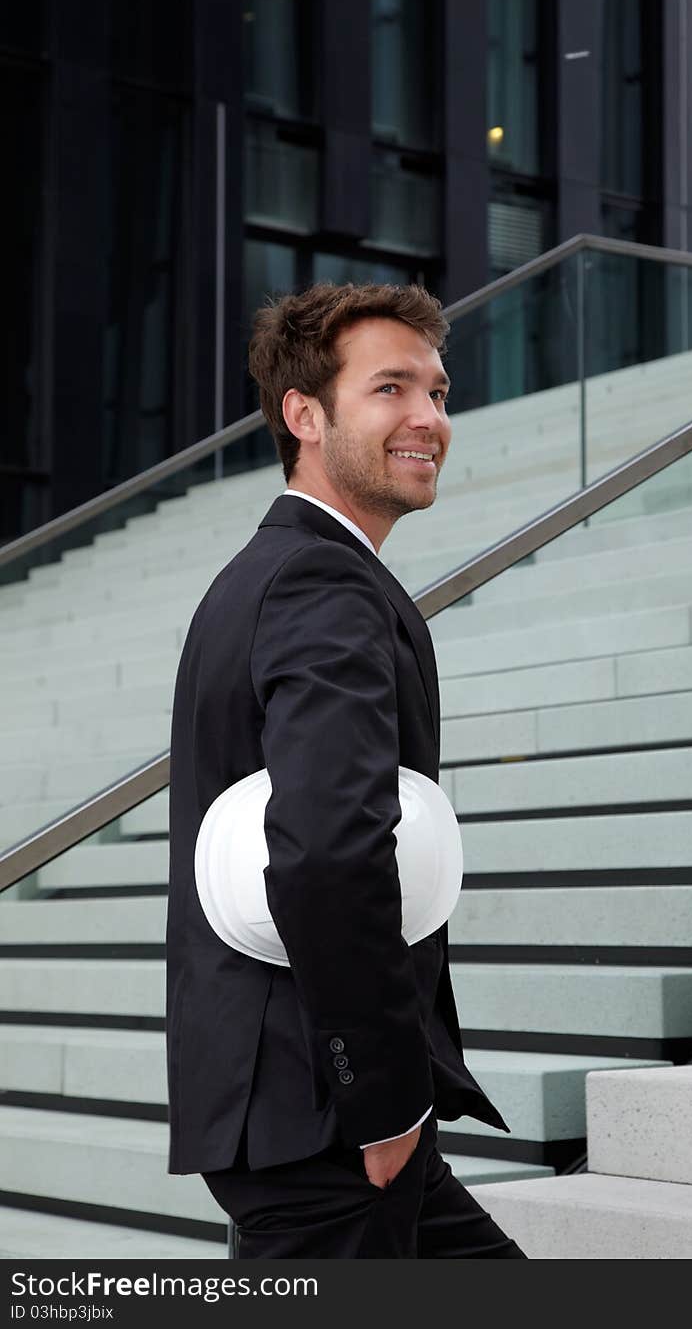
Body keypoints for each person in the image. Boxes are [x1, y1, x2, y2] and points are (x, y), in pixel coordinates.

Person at [165, 282, 526, 1258]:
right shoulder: (322, 580)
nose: (430, 418)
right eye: (391, 389)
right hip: (328, 1119)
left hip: (297, 1111)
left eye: (440, 392)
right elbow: (325, 848)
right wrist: (381, 1100)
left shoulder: (268, 571)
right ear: (305, 415)